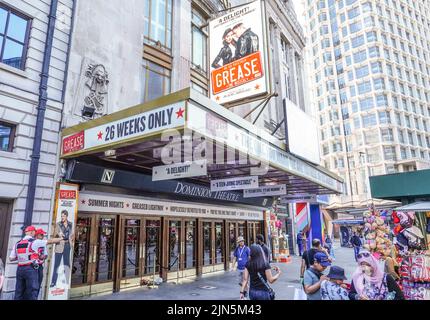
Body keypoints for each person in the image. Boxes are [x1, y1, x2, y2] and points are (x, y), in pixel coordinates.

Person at [9, 226, 61, 300]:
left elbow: (11, 258)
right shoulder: (35, 242)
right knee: (33, 291)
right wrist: (61, 238)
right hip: (30, 268)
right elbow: (51, 241)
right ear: (32, 232)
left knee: (19, 291)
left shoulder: (17, 243)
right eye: (34, 232)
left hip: (20, 269)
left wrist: (23, 256)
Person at [50, 210, 74, 288]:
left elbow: (72, 235)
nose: (62, 217)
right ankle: (53, 282)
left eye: (63, 216)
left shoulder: (70, 224)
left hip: (67, 245)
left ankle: (65, 280)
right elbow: (54, 234)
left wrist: (71, 244)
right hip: (59, 244)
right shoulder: (58, 224)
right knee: (56, 264)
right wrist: (58, 234)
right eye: (61, 216)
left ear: (66, 216)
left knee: (66, 263)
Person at [35, 228, 48, 297]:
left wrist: (44, 256)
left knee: (38, 283)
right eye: (41, 235)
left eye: (43, 235)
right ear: (36, 235)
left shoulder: (43, 244)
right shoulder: (33, 242)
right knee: (32, 285)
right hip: (32, 266)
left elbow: (46, 255)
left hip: (40, 266)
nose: (43, 236)